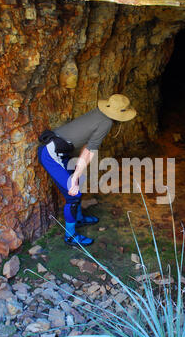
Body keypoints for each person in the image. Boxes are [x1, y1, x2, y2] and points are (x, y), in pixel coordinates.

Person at [38, 94, 137, 247]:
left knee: (79, 183)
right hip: (51, 155)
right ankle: (70, 236)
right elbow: (90, 151)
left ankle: (78, 218)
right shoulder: (106, 122)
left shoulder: (99, 113)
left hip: (60, 151)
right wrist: (74, 176)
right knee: (73, 195)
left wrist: (77, 175)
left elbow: (88, 145)